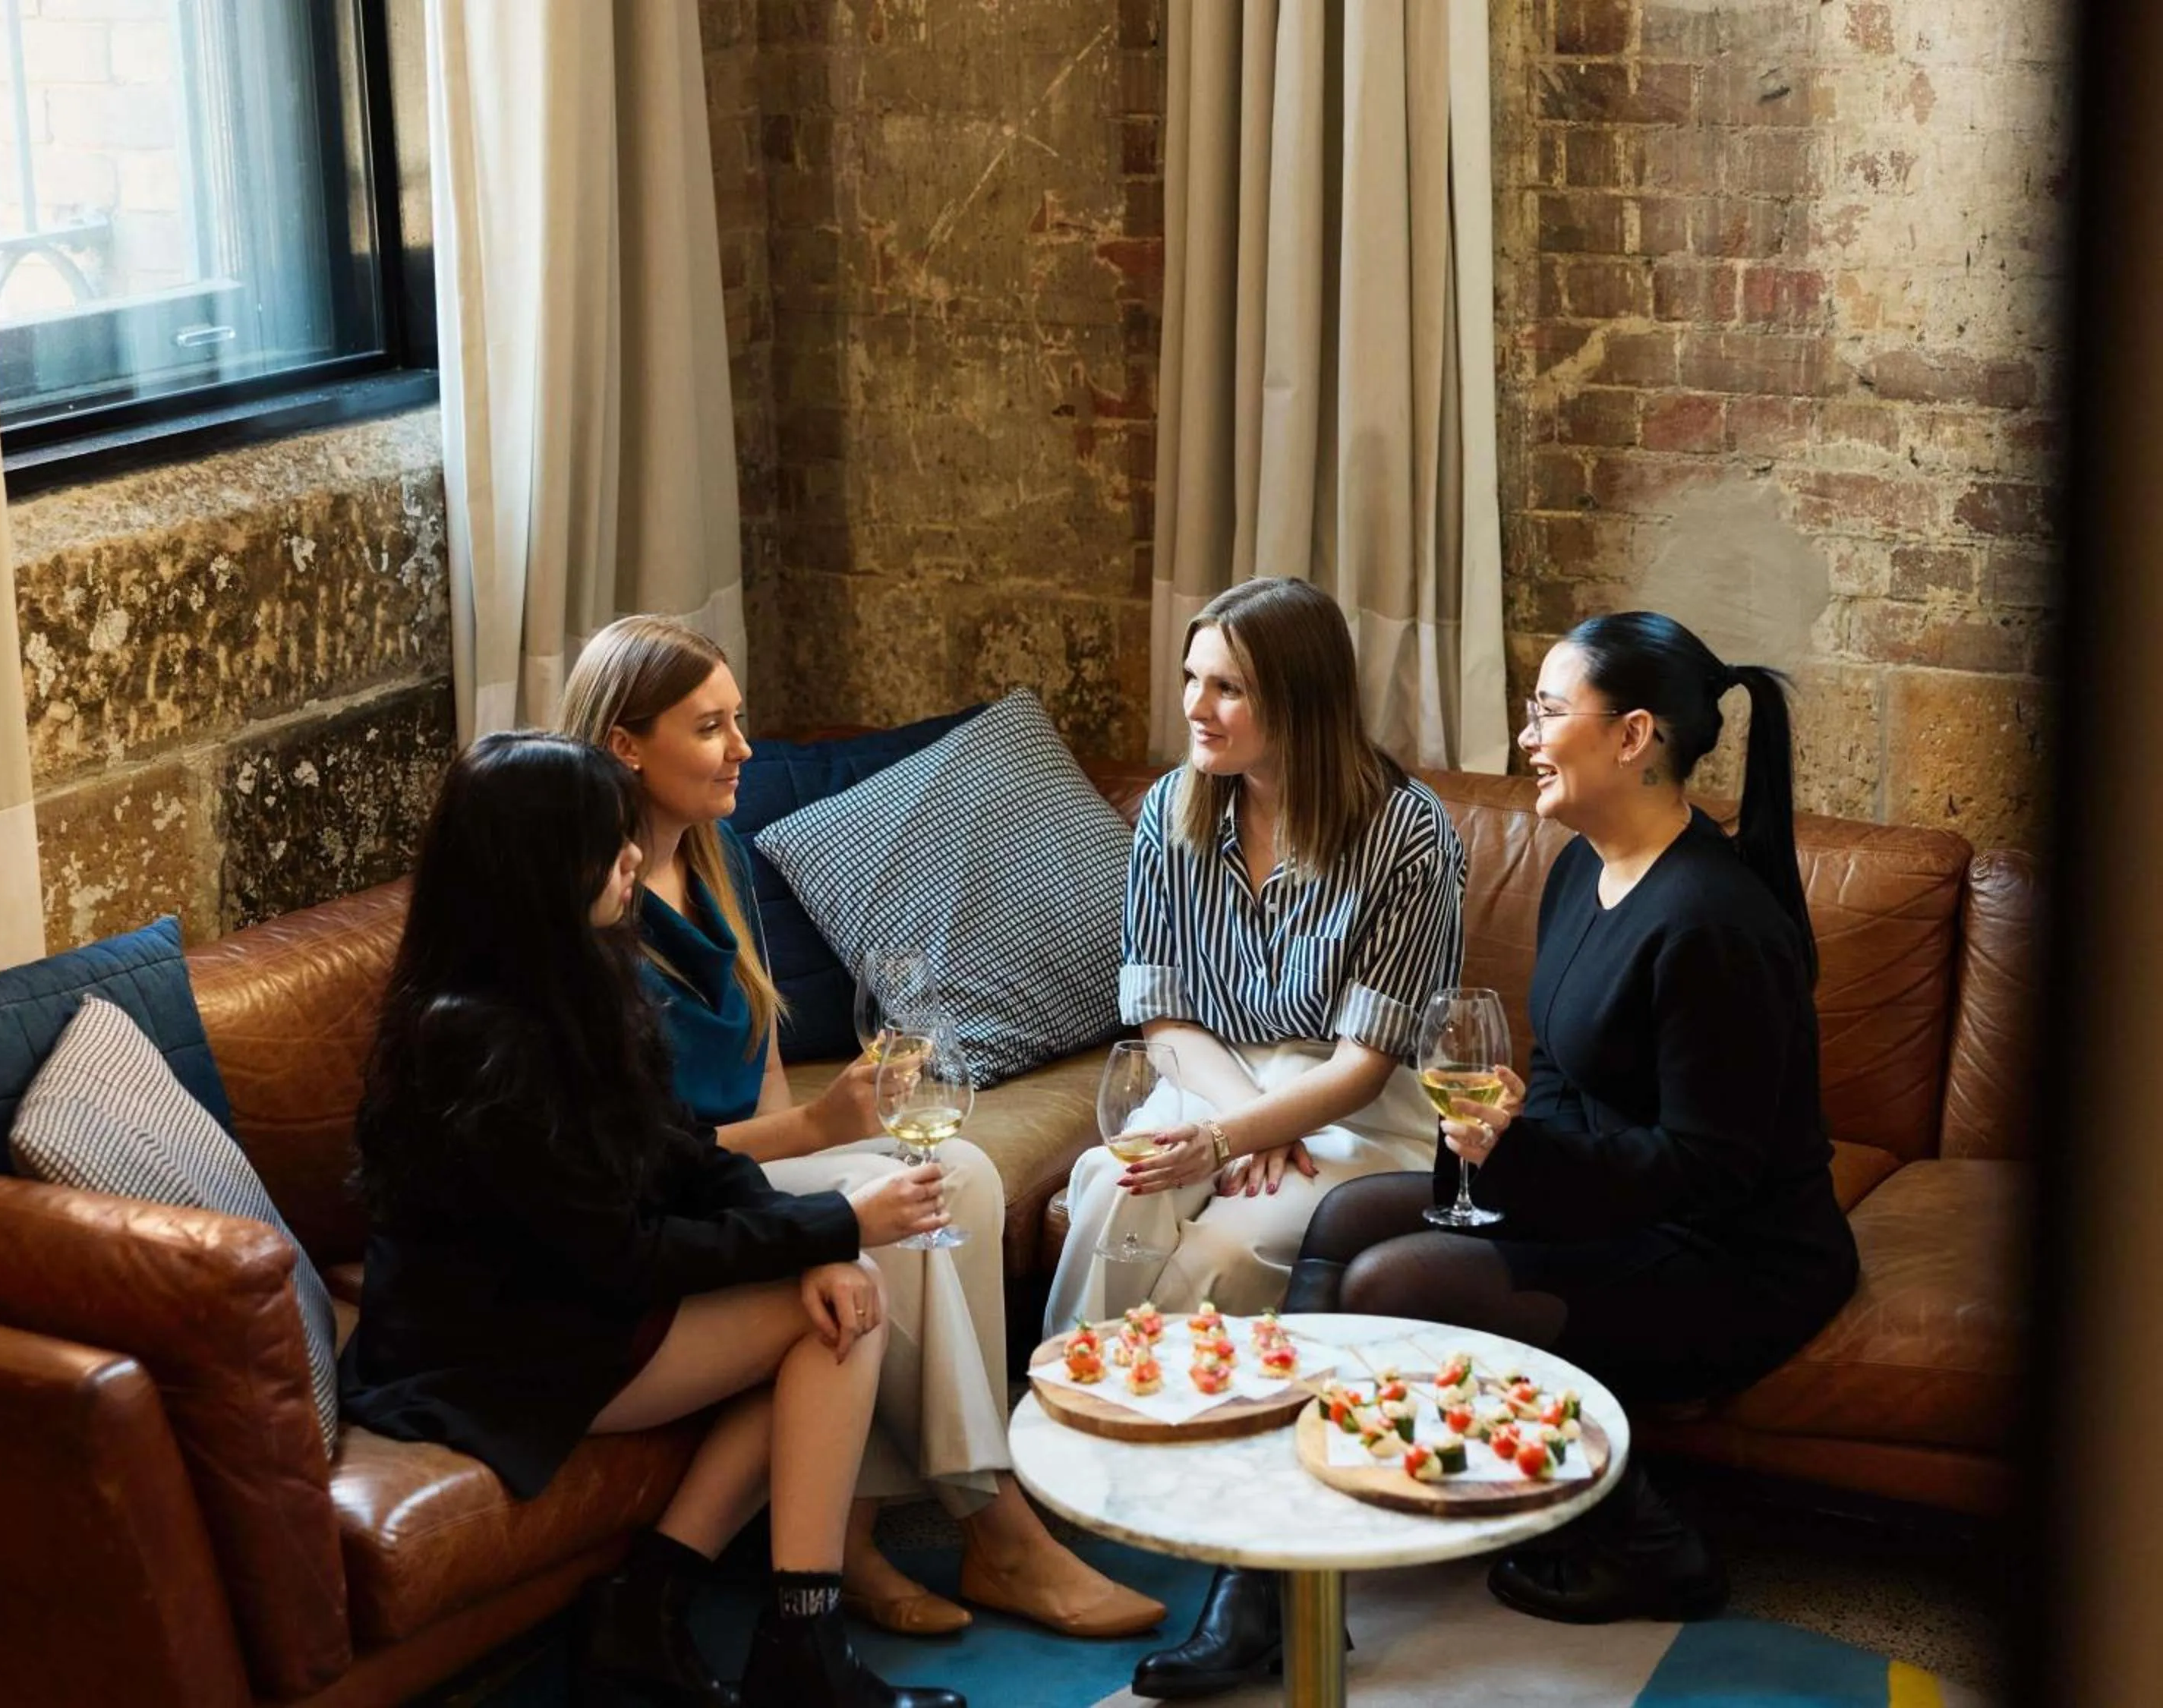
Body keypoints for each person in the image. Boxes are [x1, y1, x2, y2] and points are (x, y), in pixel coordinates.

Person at [1132, 612, 1860, 1699]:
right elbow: (1565, 1079)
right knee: (1340, 1222)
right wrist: (1509, 1135)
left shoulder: (1714, 920)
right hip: (1624, 1205)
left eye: (1548, 711)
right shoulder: (1584, 869)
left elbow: (1712, 1171)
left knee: (1400, 1276)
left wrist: (1518, 1161)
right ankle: (1267, 1573)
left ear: (1634, 737)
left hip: (1731, 1255)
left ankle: (1658, 1541)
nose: (1525, 736)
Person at [557, 617, 1165, 1642]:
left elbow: (754, 1118)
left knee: (959, 1172)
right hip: (662, 1210)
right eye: (711, 728)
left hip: (730, 1181)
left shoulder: (719, 862)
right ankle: (999, 1528)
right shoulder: (593, 910)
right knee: (895, 1221)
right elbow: (649, 1165)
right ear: (625, 743)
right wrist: (828, 1139)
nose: (742, 748)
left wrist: (831, 1124)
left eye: (739, 720)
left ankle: (858, 1527)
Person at [338, 733, 963, 1708]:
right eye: (607, 842)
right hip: (489, 1351)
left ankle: (655, 1603)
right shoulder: (476, 1037)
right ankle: (793, 1647)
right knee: (843, 1310)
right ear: (540, 863)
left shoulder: (580, 978)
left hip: (573, 1301)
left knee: (833, 1308)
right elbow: (625, 1258)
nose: (635, 857)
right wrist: (835, 1232)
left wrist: (820, 1239)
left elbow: (686, 1153)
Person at [1042, 576, 1468, 1330]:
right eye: (1192, 679)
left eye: (1226, 688)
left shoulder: (1408, 833)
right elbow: (1164, 1018)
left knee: (1229, 1253)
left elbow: (1364, 1065)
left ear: (1299, 700)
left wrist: (1237, 1138)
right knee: (1115, 1190)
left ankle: (1177, 1431)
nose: (1194, 709)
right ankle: (1077, 1414)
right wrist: (1241, 1124)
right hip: (1211, 1083)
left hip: (1354, 1114)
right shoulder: (1170, 812)